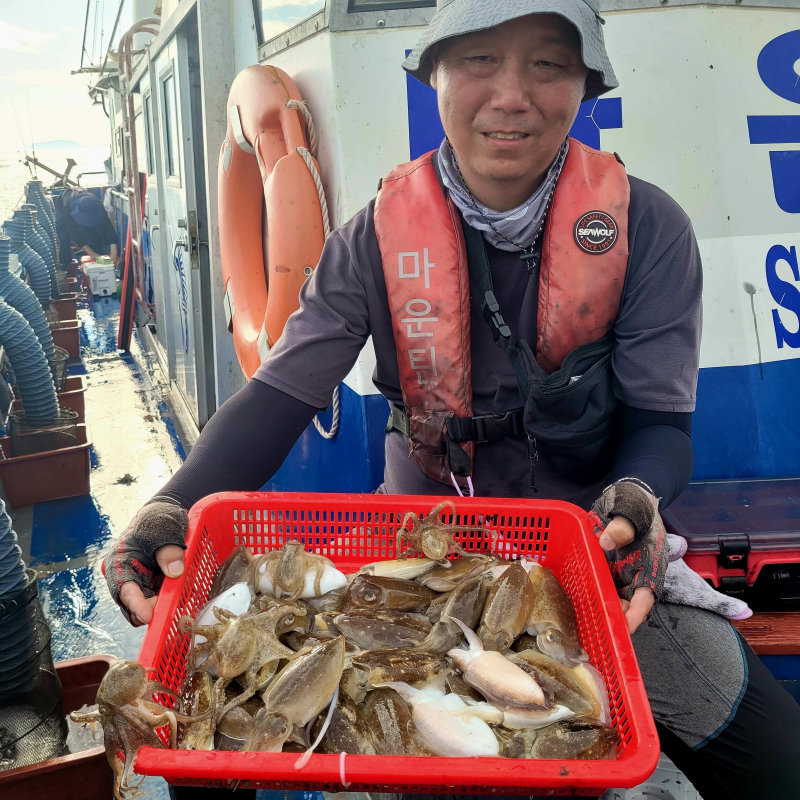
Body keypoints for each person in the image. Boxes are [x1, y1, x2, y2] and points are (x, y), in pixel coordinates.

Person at [103, 1, 800, 798]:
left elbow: (661, 428)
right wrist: (169, 504)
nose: (512, 94)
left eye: (548, 64)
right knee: (201, 736)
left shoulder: (649, 229)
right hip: (416, 566)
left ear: (584, 87)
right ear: (432, 76)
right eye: (477, 61)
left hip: (588, 569)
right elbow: (280, 397)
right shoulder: (369, 240)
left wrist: (638, 499)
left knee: (781, 767)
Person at [56, 186, 118, 264]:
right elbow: (73, 233)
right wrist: (91, 253)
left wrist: (114, 252)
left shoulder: (98, 205)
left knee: (94, 233)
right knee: (64, 237)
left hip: (87, 201)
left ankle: (98, 258)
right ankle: (65, 265)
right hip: (63, 203)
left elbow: (108, 227)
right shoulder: (67, 208)